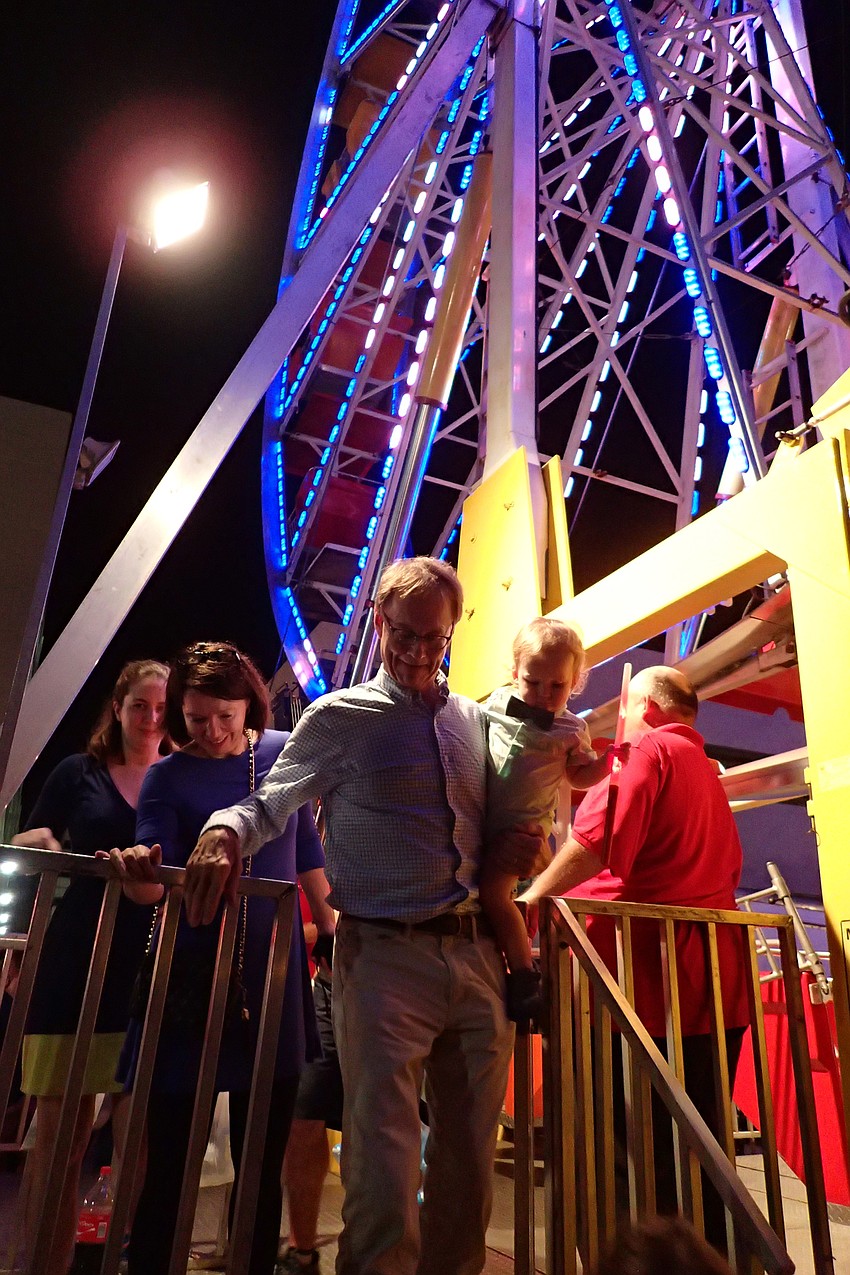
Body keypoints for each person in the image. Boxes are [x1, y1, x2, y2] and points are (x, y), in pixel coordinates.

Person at [170, 558, 547, 1275]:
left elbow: (515, 831)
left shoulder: (475, 722)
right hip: (384, 959)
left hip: (476, 955)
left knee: (470, 1166)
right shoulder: (340, 717)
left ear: (453, 630)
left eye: (433, 638)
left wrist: (530, 845)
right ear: (378, 621)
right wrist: (222, 832)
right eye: (404, 634)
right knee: (383, 1165)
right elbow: (271, 802)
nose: (417, 652)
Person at [108, 641, 334, 1275]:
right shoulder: (167, 776)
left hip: (273, 975)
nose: (211, 731)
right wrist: (137, 873)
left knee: (261, 1165)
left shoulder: (281, 753)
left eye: (225, 717)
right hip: (192, 980)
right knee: (172, 1161)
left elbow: (306, 850)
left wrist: (331, 927)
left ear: (249, 706)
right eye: (196, 718)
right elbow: (153, 888)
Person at [520, 665, 749, 1248]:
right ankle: (706, 1257)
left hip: (636, 990)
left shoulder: (648, 749)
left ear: (644, 707)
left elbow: (597, 841)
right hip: (708, 987)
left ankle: (629, 1257)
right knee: (698, 1147)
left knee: (618, 1149)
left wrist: (530, 899)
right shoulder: (706, 771)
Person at [12, 659, 171, 1273]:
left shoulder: (177, 778)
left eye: (162, 708)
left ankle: (116, 1257)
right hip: (76, 957)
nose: (151, 718)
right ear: (118, 707)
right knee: (60, 1135)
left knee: (139, 1134)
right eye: (140, 706)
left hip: (148, 966)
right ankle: (41, 1262)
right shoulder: (78, 772)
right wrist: (46, 846)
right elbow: (29, 841)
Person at [481, 617, 624, 1019]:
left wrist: (607, 763)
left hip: (522, 826)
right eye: (533, 682)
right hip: (481, 818)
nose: (544, 694)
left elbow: (579, 777)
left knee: (495, 896)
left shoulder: (571, 729)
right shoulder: (494, 705)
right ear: (514, 673)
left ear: (575, 682)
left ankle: (524, 977)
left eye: (557, 686)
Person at [278, 933, 342, 1275]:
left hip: (382, 985)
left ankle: (373, 1254)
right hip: (325, 984)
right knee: (303, 1118)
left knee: (376, 1124)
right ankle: (302, 1252)